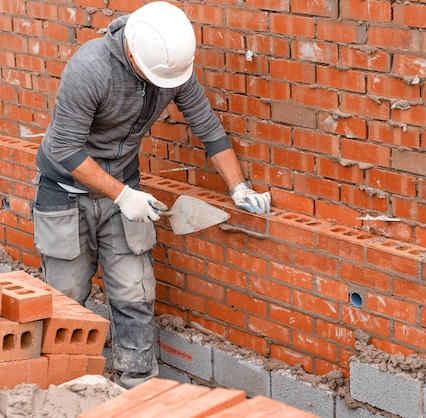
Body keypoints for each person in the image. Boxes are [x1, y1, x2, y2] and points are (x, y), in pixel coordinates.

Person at [32, 1, 271, 389]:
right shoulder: (91, 68)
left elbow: (207, 126)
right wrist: (124, 196)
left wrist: (239, 187)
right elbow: (65, 150)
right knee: (66, 296)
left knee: (134, 292)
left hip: (124, 186)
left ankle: (139, 388)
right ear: (131, 53)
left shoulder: (171, 67)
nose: (165, 87)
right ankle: (61, 389)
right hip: (65, 191)